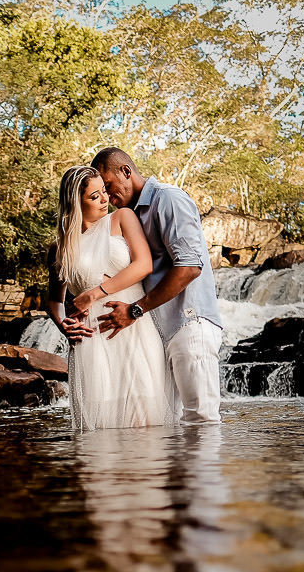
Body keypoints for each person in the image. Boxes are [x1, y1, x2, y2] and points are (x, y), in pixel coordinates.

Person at [89, 148, 224, 424]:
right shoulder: (130, 216)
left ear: (126, 171)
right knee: (168, 423)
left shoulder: (168, 199)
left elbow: (189, 267)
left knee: (201, 420)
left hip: (189, 324)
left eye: (108, 186)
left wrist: (135, 310)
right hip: (159, 334)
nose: (107, 197)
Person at [45, 166, 176, 431]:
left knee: (144, 420)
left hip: (134, 329)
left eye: (104, 191)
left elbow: (143, 265)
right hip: (91, 338)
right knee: (101, 422)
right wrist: (63, 325)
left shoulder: (122, 218)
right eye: (94, 196)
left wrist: (93, 294)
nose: (105, 199)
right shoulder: (60, 247)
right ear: (75, 202)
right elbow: (53, 300)